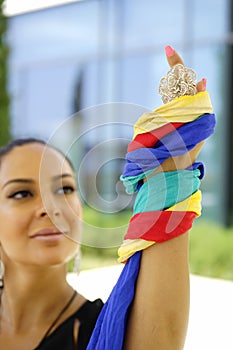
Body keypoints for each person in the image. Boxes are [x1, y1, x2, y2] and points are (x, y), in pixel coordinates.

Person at [0, 46, 214, 350]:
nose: (50, 207)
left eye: (64, 189)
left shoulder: (100, 335)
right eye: (21, 193)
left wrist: (168, 173)